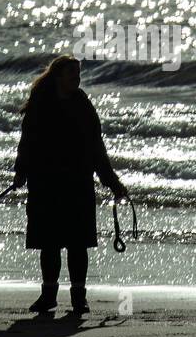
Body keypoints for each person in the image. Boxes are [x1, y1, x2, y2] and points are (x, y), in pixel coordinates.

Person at [13, 55, 128, 314]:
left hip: (78, 183)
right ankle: (49, 296)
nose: (77, 79)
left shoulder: (83, 105)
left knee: (78, 244)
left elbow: (97, 149)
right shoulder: (40, 105)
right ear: (58, 77)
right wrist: (21, 172)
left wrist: (112, 183)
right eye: (72, 74)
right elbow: (27, 144)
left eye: (79, 74)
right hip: (46, 184)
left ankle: (79, 298)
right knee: (49, 244)